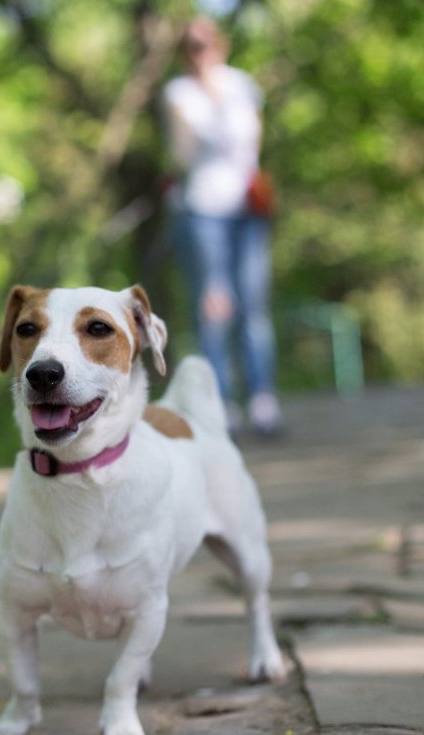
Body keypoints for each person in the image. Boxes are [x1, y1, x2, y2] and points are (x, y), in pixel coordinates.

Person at [161, 17, 282, 437]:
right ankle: (222, 404)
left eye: (206, 43)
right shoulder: (177, 92)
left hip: (246, 211)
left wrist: (218, 98)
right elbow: (181, 154)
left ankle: (263, 399)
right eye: (191, 45)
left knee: (253, 304)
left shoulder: (242, 84)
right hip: (202, 212)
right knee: (213, 309)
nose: (200, 52)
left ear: (221, 45)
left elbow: (251, 144)